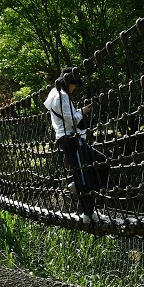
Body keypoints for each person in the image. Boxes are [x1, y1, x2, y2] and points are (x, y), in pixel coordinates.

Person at [44, 67, 109, 221]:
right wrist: (83, 112)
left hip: (71, 139)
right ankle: (88, 213)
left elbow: (68, 115)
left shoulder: (58, 94)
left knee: (100, 164)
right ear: (68, 83)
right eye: (74, 84)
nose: (75, 87)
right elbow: (70, 119)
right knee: (85, 174)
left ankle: (80, 190)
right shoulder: (61, 96)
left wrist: (79, 110)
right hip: (71, 140)